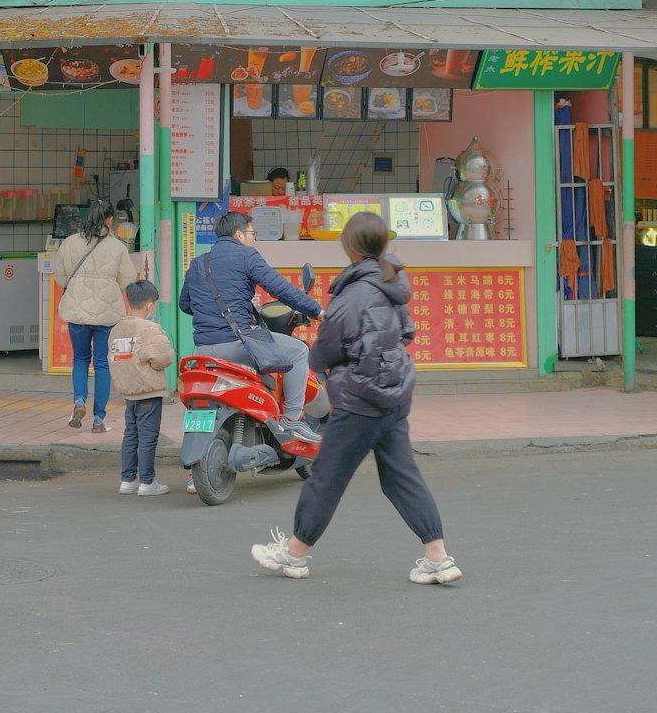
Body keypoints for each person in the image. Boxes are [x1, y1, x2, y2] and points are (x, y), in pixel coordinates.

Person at [251, 211, 462, 584]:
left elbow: (327, 347)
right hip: (394, 394)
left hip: (359, 397)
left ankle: (295, 553)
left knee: (327, 477)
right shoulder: (392, 280)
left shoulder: (353, 292)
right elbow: (407, 331)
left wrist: (321, 360)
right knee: (401, 476)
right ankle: (438, 557)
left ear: (349, 247)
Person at [178, 210, 323, 444]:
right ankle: (292, 419)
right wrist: (316, 311)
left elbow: (185, 304)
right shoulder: (247, 256)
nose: (253, 239)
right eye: (251, 233)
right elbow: (281, 289)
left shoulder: (198, 263)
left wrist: (211, 313)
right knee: (298, 352)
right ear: (239, 234)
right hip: (237, 345)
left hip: (203, 349)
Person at [54, 198, 137, 432]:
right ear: (109, 219)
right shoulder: (118, 247)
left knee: (80, 359)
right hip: (106, 315)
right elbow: (127, 282)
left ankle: (79, 401)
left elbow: (60, 277)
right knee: (101, 363)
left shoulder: (70, 243)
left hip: (77, 313)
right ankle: (99, 420)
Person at [109, 279, 174, 497]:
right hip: (148, 389)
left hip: (129, 390)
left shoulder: (118, 328)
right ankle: (147, 482)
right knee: (148, 436)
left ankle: (127, 480)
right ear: (150, 305)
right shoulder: (150, 328)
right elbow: (163, 358)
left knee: (131, 434)